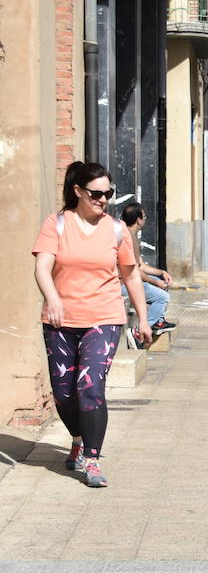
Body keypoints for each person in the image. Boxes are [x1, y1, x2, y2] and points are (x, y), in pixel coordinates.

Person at [32, 161, 152, 488]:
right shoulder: (56, 224)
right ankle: (78, 438)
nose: (103, 200)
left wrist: (143, 319)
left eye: (108, 194)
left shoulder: (116, 229)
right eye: (96, 193)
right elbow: (43, 267)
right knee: (63, 395)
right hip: (61, 320)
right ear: (78, 192)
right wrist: (53, 298)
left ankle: (93, 458)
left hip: (104, 317)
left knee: (90, 388)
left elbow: (130, 276)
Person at [120, 202, 176, 335]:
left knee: (159, 280)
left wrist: (162, 273)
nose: (145, 219)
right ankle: (141, 331)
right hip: (123, 284)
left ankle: (159, 321)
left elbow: (142, 266)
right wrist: (155, 282)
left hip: (128, 280)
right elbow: (134, 271)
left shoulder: (130, 236)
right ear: (138, 220)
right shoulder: (128, 238)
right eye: (144, 217)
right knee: (162, 297)